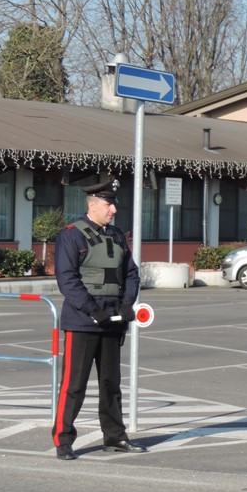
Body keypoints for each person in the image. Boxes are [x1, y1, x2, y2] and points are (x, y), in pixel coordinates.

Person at [52, 177, 146, 460]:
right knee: (74, 385)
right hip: (82, 321)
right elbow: (67, 279)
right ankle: (63, 440)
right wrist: (93, 310)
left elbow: (131, 273)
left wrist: (127, 304)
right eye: (109, 204)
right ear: (93, 205)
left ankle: (115, 437)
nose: (114, 209)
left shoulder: (117, 235)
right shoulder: (71, 235)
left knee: (110, 384)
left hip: (114, 320)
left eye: (114, 204)